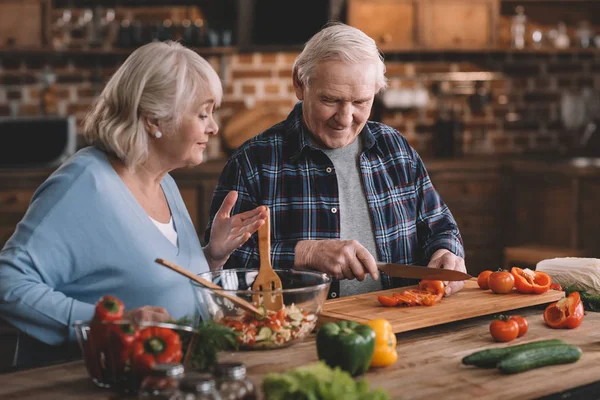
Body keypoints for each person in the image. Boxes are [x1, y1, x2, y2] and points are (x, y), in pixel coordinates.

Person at [0, 41, 267, 367]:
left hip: (157, 376)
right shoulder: (84, 184)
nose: (213, 127)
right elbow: (9, 284)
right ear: (154, 120)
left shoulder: (163, 181)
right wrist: (112, 322)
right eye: (202, 113)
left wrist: (212, 256)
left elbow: (155, 282)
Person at [205, 22, 466, 300]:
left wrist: (446, 252)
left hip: (400, 326)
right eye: (330, 100)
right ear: (299, 83)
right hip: (300, 332)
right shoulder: (253, 162)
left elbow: (440, 227)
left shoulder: (396, 149)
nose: (345, 118)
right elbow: (223, 265)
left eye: (360, 102)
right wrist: (305, 253)